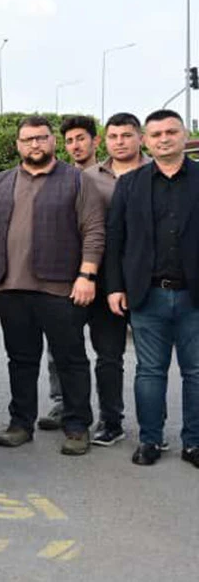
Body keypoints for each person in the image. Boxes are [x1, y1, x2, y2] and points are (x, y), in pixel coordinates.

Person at [0, 116, 105, 455]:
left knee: (70, 360)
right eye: (27, 139)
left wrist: (87, 275)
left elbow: (94, 230)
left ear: (52, 141)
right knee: (20, 360)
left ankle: (77, 425)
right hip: (11, 288)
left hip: (61, 289)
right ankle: (21, 423)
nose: (34, 144)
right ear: (18, 145)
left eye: (40, 138)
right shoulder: (2, 182)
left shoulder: (77, 181)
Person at [40, 114, 145, 444]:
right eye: (115, 135)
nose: (120, 141)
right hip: (81, 280)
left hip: (126, 280)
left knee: (114, 356)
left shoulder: (152, 176)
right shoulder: (81, 178)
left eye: (126, 135)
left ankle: (115, 420)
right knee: (65, 351)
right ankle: (72, 412)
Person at [106, 109, 199, 468]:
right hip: (148, 294)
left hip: (194, 295)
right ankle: (150, 440)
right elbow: (116, 240)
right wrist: (114, 287)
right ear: (146, 140)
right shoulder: (131, 184)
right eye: (156, 134)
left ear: (184, 135)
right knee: (149, 372)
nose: (163, 139)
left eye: (170, 132)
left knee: (195, 372)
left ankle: (193, 443)